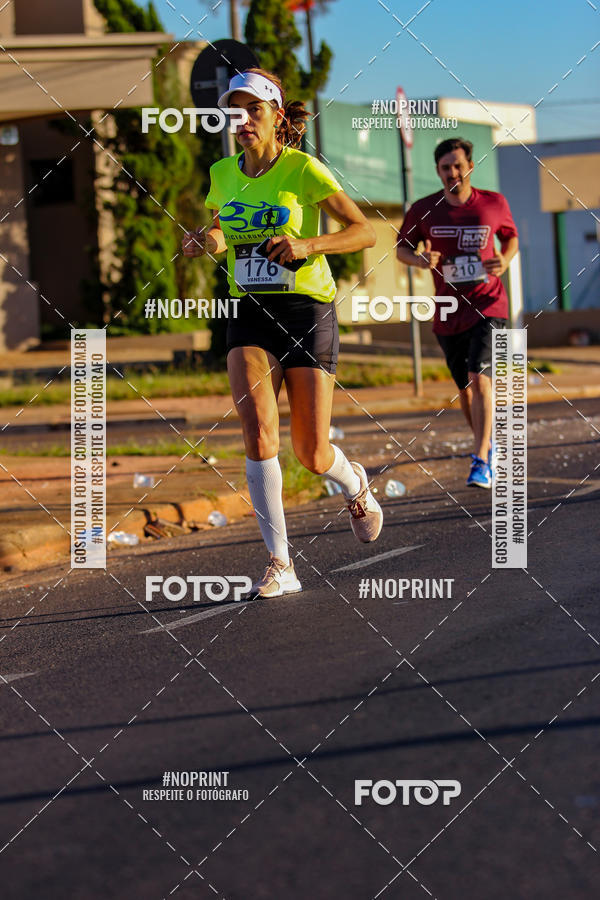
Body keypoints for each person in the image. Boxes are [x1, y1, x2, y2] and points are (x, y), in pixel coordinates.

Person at [182, 68, 383, 598]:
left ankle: (354, 482)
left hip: (306, 309)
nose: (242, 120)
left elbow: (365, 232)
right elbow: (224, 229)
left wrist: (306, 246)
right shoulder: (222, 172)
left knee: (311, 453)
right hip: (248, 308)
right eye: (234, 111)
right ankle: (280, 564)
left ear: (274, 116)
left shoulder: (302, 169)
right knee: (257, 432)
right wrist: (208, 240)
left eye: (253, 110)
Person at [396, 137, 519, 488]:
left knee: (481, 379)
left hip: (488, 303)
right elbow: (401, 249)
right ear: (437, 171)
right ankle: (488, 445)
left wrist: (505, 259)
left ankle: (480, 458)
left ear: (470, 167)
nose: (452, 172)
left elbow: (510, 238)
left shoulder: (494, 204)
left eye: (458, 165)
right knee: (465, 389)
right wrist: (419, 260)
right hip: (448, 310)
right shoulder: (423, 209)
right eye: (445, 167)